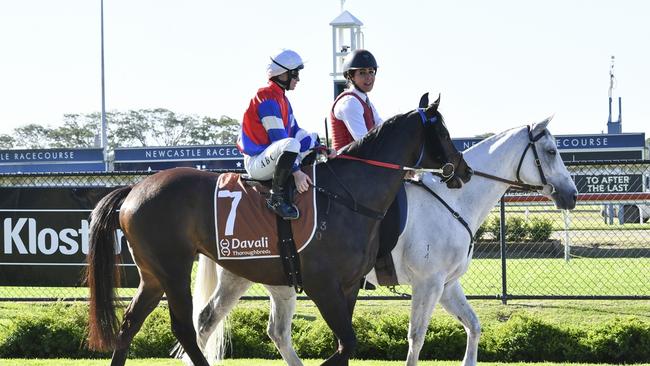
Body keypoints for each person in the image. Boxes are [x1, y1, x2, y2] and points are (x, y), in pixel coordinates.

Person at [237, 49, 335, 220]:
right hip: (256, 162)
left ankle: (298, 188)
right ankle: (277, 197)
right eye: (295, 74)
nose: (298, 79)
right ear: (283, 75)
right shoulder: (265, 97)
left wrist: (322, 148)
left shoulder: (282, 98)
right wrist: (296, 172)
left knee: (310, 137)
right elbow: (280, 139)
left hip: (272, 155)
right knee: (291, 144)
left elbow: (296, 131)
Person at [330, 49, 383, 150]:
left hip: (360, 163)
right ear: (351, 76)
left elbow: (383, 128)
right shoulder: (350, 102)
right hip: (344, 164)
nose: (368, 77)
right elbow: (364, 143)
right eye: (362, 73)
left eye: (371, 72)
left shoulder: (367, 103)